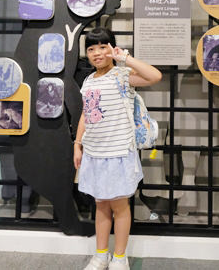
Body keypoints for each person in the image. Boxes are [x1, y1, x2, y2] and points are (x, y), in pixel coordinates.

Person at [74, 27, 162, 270]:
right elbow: (85, 114)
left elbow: (154, 76)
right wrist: (77, 145)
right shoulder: (89, 80)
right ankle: (101, 255)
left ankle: (120, 257)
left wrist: (125, 58)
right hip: (94, 152)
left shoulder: (122, 75)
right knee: (101, 205)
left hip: (119, 152)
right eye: (91, 49)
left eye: (103, 47)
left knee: (120, 206)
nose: (97, 53)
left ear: (112, 48)